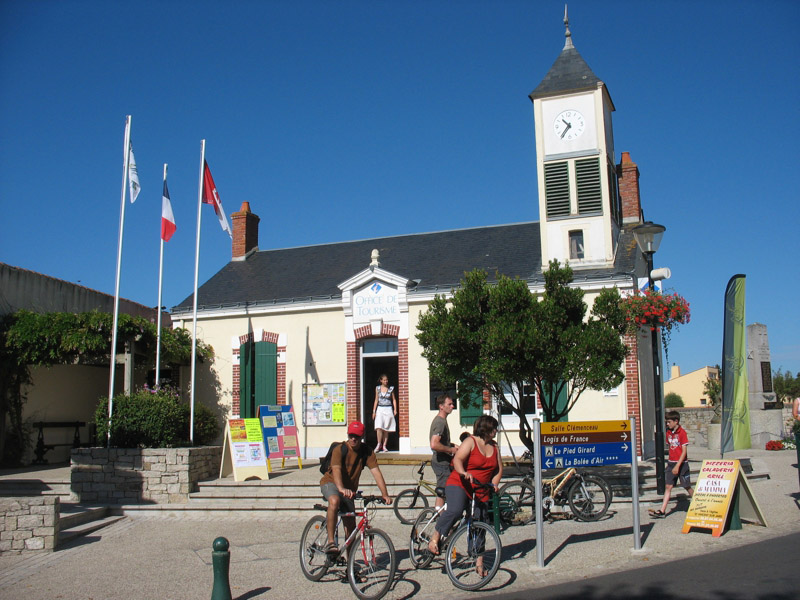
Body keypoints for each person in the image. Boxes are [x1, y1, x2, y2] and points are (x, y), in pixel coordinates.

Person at [428, 415, 502, 578]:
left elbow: (498, 470)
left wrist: (495, 483)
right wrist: (463, 473)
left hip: (481, 489)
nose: (496, 430)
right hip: (460, 483)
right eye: (494, 427)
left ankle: (479, 562)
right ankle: (435, 537)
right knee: (456, 509)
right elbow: (458, 460)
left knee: (481, 523)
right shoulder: (471, 442)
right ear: (486, 429)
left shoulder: (495, 447)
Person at [319, 421, 391, 554]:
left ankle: (349, 566)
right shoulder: (340, 449)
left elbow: (376, 472)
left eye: (356, 436)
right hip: (331, 483)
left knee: (351, 528)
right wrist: (340, 488)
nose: (353, 439)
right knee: (334, 501)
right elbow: (336, 470)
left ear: (362, 436)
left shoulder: (366, 452)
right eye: (351, 435)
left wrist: (385, 494)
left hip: (348, 491)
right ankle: (331, 542)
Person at [650, 410, 694, 518]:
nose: (667, 424)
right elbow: (670, 447)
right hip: (671, 463)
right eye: (666, 422)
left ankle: (698, 504)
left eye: (669, 422)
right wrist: (672, 464)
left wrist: (678, 466)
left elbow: (684, 451)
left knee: (686, 485)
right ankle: (662, 510)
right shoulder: (669, 433)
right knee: (668, 486)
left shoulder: (682, 433)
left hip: (681, 464)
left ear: (676, 421)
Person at [429, 393, 458, 508]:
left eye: (452, 404)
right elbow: (434, 444)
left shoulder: (442, 421)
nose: (452, 406)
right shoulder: (440, 422)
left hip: (443, 461)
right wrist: (450, 449)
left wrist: (454, 446)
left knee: (443, 490)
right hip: (441, 462)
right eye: (449, 404)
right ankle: (440, 517)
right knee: (442, 491)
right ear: (441, 406)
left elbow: (442, 442)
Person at [372, 374, 397, 452]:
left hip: (388, 408)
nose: (386, 381)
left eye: (387, 380)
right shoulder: (377, 388)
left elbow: (394, 399)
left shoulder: (391, 389)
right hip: (380, 408)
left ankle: (384, 445)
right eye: (384, 380)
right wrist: (374, 411)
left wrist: (395, 409)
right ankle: (379, 444)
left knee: (386, 428)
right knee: (379, 427)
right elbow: (376, 399)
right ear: (381, 380)